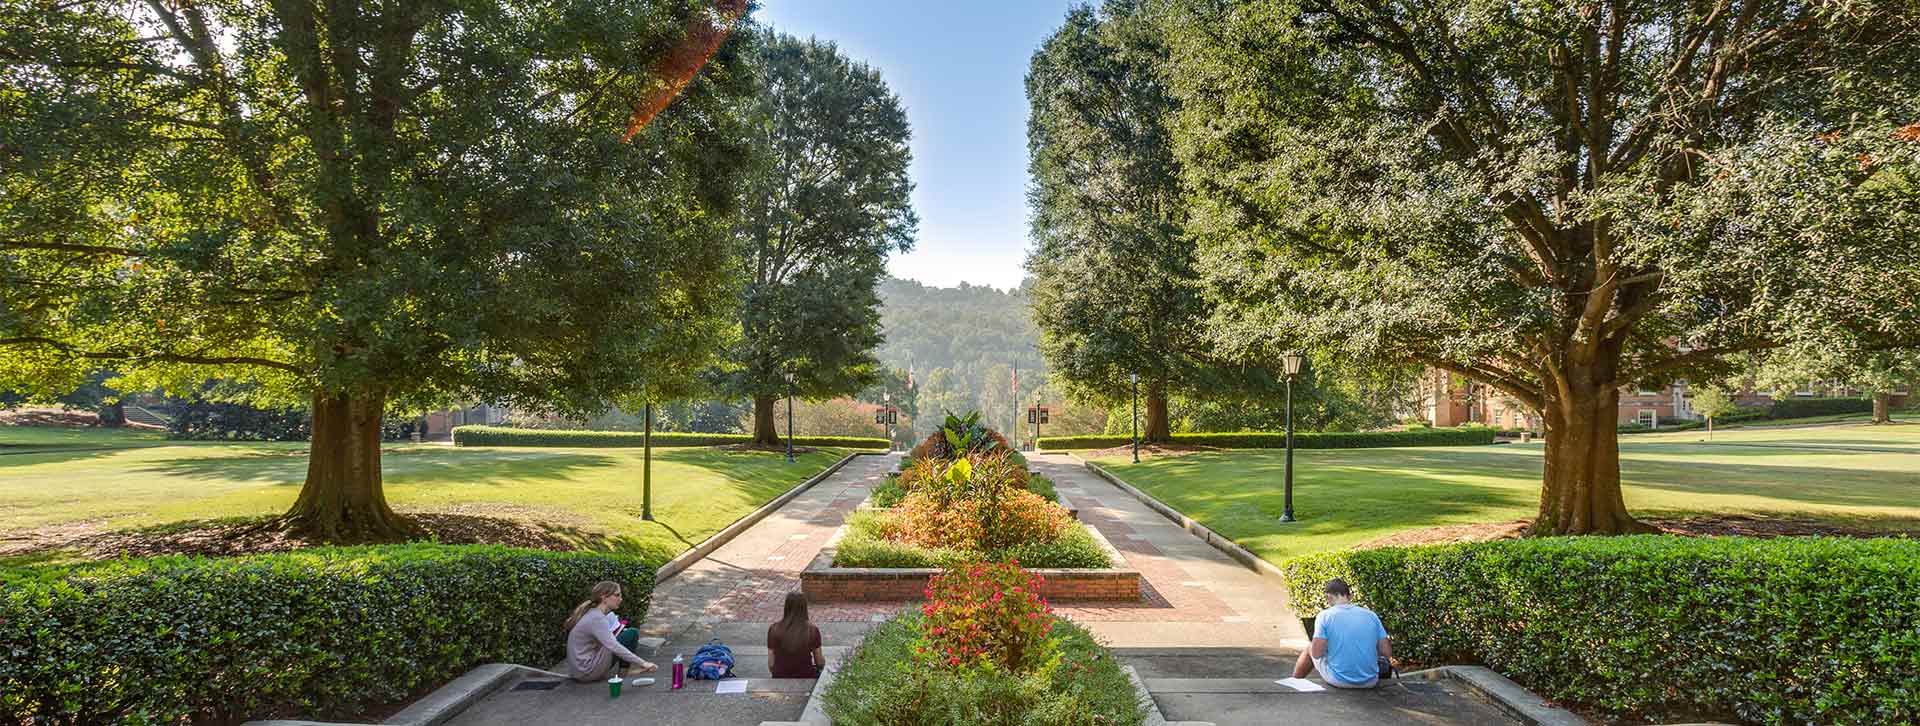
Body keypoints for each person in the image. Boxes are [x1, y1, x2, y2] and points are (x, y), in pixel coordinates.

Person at [1292, 578, 1393, 688]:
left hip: (1339, 680)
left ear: (1328, 597)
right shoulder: (1371, 615)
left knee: (1310, 648)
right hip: (1370, 681)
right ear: (1349, 597)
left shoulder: (1325, 616)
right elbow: (1386, 652)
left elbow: (1316, 653)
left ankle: (1294, 682)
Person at [565, 581, 657, 681]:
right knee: (631, 634)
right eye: (617, 595)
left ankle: (622, 676)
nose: (621, 599)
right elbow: (613, 646)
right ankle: (622, 676)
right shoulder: (597, 618)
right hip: (587, 672)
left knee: (623, 635)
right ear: (604, 597)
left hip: (581, 671)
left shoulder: (593, 613)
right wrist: (643, 663)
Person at [767, 591, 825, 678]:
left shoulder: (774, 629)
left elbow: (771, 664)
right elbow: (819, 662)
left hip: (780, 676)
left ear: (786, 607)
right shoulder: (812, 630)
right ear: (804, 608)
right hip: (806, 676)